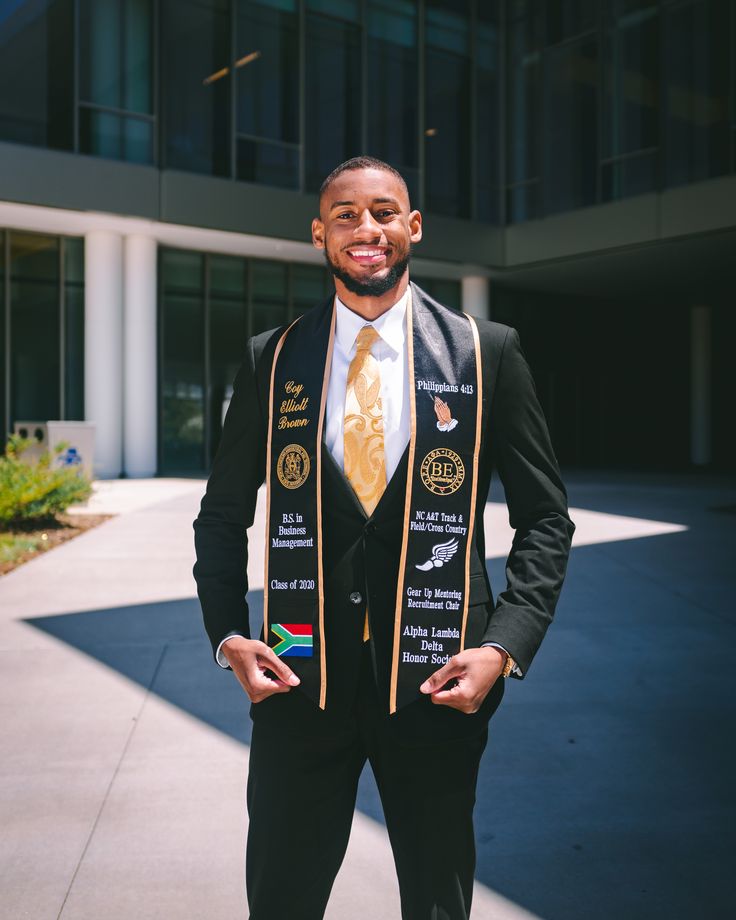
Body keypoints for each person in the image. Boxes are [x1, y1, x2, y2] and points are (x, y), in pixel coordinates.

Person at [193, 156, 575, 920]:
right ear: (319, 234)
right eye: (345, 215)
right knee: (281, 897)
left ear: (413, 226)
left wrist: (502, 648)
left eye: (383, 212)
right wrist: (229, 633)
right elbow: (223, 511)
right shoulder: (274, 359)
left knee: (437, 901)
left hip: (436, 684)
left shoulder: (484, 352)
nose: (365, 229)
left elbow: (545, 518)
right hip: (299, 676)